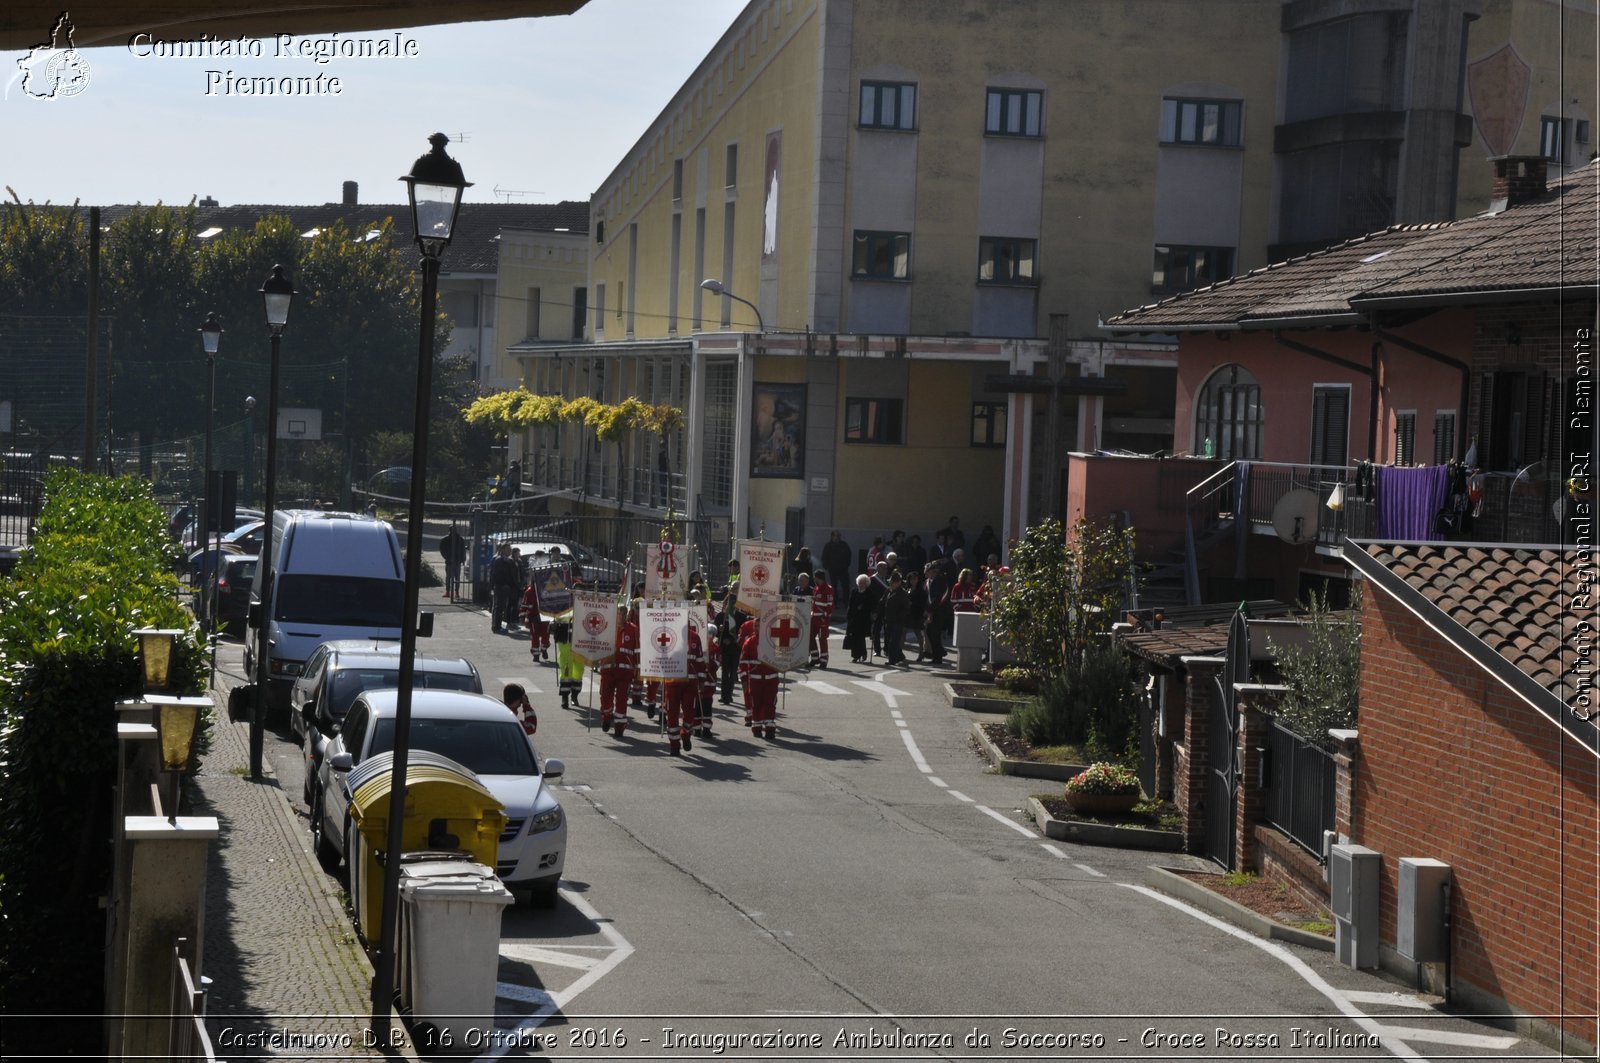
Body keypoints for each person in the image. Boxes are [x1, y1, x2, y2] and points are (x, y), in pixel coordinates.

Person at [663, 621, 707, 754]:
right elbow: (660, 657)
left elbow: (699, 660)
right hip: (673, 682)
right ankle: (674, 745)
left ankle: (686, 734)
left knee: (689, 714)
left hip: (690, 683)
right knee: (672, 714)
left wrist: (702, 680)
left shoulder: (695, 637)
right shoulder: (669, 636)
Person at [598, 601, 638, 737]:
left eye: (624, 613)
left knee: (622, 699)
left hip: (625, 672)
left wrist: (637, 668)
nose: (622, 615)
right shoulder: (606, 626)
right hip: (608, 669)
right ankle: (606, 717)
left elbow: (637, 649)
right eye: (620, 612)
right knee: (605, 697)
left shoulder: (633, 629)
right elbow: (598, 643)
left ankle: (619, 727)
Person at [740, 620, 780, 739]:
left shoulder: (772, 640)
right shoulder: (749, 642)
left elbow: (782, 656)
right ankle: (756, 727)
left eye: (759, 626)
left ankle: (769, 728)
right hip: (755, 679)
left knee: (770, 704)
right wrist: (744, 679)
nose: (757, 628)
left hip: (771, 678)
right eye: (755, 626)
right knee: (756, 704)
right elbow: (742, 662)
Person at [716, 585, 747, 705]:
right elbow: (716, 634)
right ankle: (724, 696)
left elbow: (741, 632)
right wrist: (720, 630)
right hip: (724, 647)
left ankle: (729, 694)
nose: (731, 605)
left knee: (733, 672)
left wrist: (733, 640)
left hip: (735, 647)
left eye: (734, 602)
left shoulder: (741, 616)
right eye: (729, 602)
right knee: (725, 672)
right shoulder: (720, 617)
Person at [520, 568, 553, 662]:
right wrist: (523, 614)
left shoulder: (547, 590)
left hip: (545, 616)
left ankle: (544, 649)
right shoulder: (529, 591)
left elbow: (552, 602)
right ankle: (536, 655)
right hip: (534, 617)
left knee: (545, 636)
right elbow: (524, 603)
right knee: (534, 636)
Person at [923, 561, 951, 665]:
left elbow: (940, 597)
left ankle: (938, 656)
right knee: (930, 632)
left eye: (927, 572)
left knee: (934, 632)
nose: (926, 574)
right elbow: (926, 597)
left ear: (933, 571)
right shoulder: (928, 582)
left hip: (940, 610)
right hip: (931, 610)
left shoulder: (940, 580)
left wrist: (930, 609)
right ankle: (939, 652)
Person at [488, 543, 520, 634]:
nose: (509, 551)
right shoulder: (499, 560)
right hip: (500, 587)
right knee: (498, 608)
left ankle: (497, 627)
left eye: (510, 549)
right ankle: (496, 627)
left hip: (506, 587)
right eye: (507, 549)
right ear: (502, 550)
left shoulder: (508, 560)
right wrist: (502, 585)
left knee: (500, 608)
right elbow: (496, 575)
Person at [551, 619, 583, 710]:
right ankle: (564, 698)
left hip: (580, 639)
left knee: (579, 670)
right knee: (566, 670)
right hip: (564, 636)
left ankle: (575, 695)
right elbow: (555, 612)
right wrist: (554, 624)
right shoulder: (563, 605)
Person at [882, 572, 910, 666]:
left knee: (893, 641)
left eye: (893, 582)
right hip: (889, 619)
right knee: (890, 639)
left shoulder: (902, 593)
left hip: (897, 621)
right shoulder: (889, 591)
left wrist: (898, 617)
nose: (891, 584)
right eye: (890, 582)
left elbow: (906, 608)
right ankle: (900, 656)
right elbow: (883, 602)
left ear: (898, 583)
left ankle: (892, 660)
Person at [843, 574, 874, 663]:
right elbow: (850, 603)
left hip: (864, 619)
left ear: (866, 584)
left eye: (863, 583)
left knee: (860, 638)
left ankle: (863, 653)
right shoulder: (854, 591)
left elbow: (872, 604)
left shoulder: (869, 592)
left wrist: (864, 608)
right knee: (854, 637)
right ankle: (856, 656)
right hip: (854, 618)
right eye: (860, 583)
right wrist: (849, 615)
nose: (861, 585)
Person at [808, 568, 835, 668]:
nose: (814, 579)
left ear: (820, 578)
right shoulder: (816, 588)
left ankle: (824, 660)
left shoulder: (828, 589)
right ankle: (815, 658)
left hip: (822, 618)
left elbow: (830, 605)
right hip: (814, 617)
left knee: (822, 639)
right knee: (810, 637)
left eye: (815, 578)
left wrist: (825, 617)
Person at [820, 530, 852, 608]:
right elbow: (824, 557)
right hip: (833, 570)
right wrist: (827, 567)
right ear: (832, 536)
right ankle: (834, 604)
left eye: (838, 536)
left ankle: (846, 603)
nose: (837, 537)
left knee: (845, 586)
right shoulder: (828, 546)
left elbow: (849, 555)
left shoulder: (844, 545)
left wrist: (846, 566)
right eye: (836, 536)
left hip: (843, 570)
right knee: (833, 588)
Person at [868, 559, 892, 657]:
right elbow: (870, 595)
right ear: (878, 568)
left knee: (887, 630)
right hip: (876, 608)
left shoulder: (888, 580)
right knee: (876, 630)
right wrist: (872, 610)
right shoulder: (872, 579)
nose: (886, 570)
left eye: (886, 568)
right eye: (884, 568)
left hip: (886, 608)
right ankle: (877, 650)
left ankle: (887, 649)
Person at [438, 523, 467, 600]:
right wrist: (447, 557)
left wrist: (463, 559)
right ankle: (448, 591)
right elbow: (442, 549)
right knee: (449, 578)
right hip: (450, 561)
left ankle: (456, 592)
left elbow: (463, 550)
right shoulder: (445, 539)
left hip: (457, 561)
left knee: (456, 578)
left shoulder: (460, 539)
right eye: (452, 530)